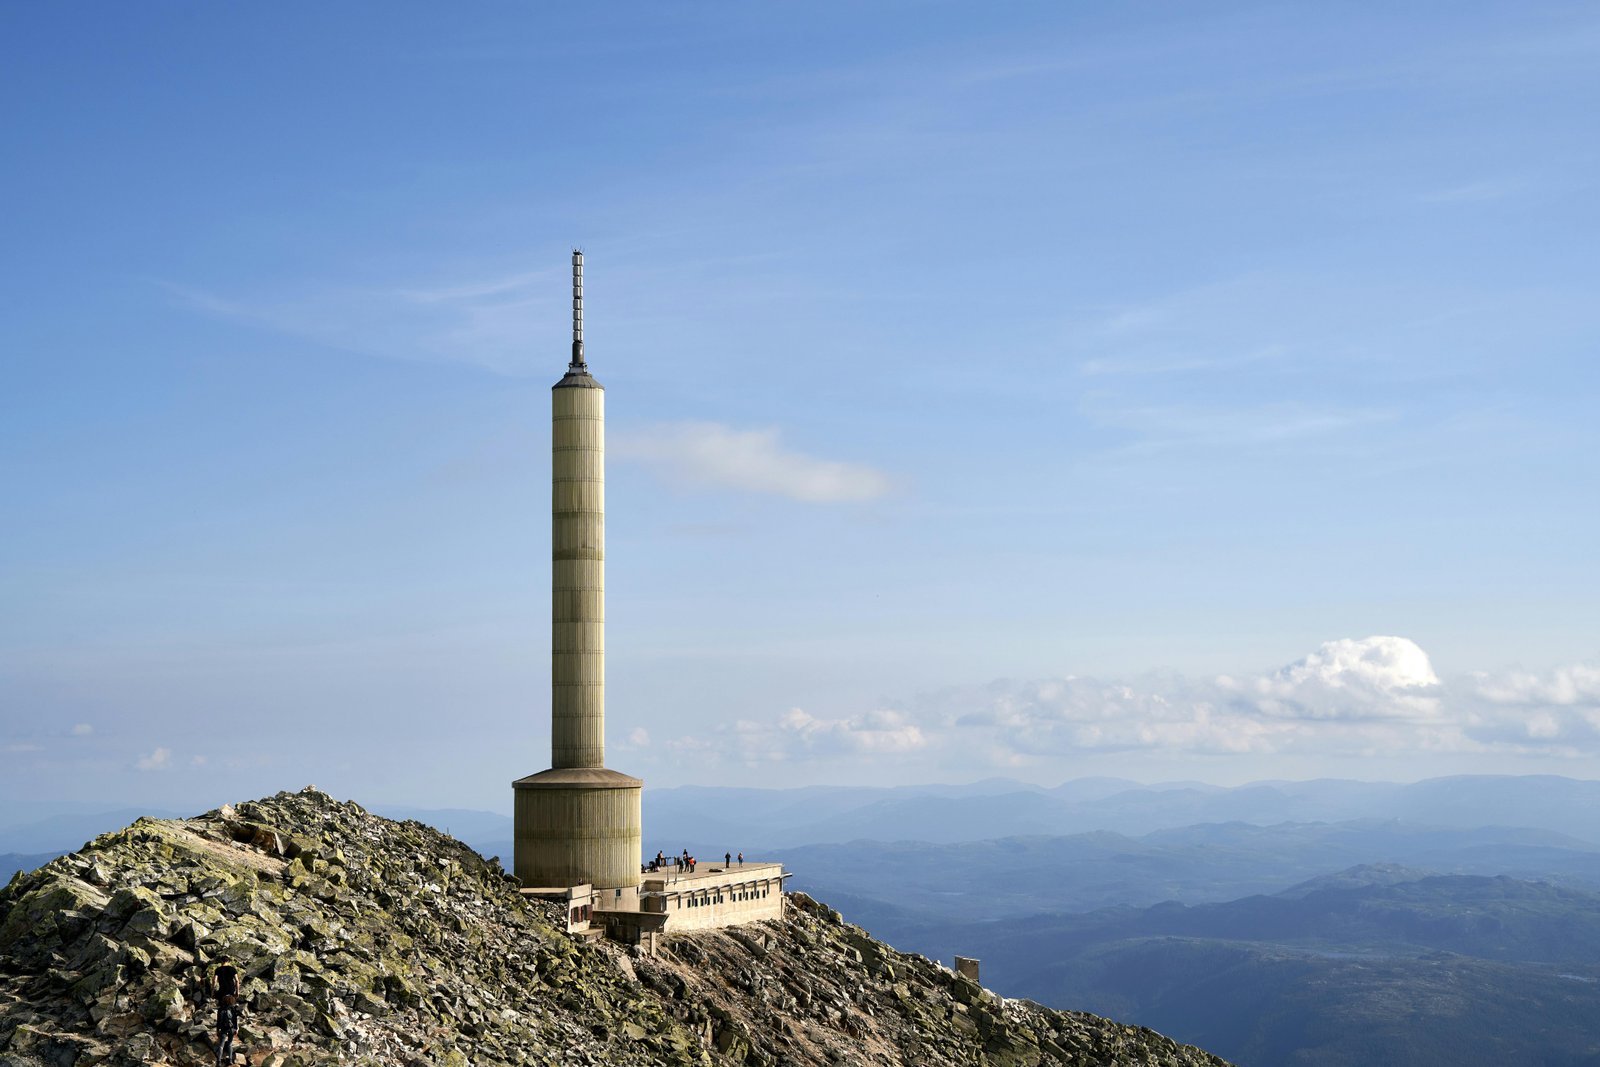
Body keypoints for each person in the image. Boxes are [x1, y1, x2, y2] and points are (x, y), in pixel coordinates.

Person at [211, 954, 241, 1066]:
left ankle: (221, 1028)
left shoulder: (218, 969)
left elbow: (214, 981)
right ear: (228, 961)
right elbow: (237, 981)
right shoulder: (233, 969)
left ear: (221, 961)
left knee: (221, 1011)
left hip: (222, 993)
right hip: (231, 992)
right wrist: (237, 992)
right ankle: (232, 1028)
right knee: (232, 1011)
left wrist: (213, 992)